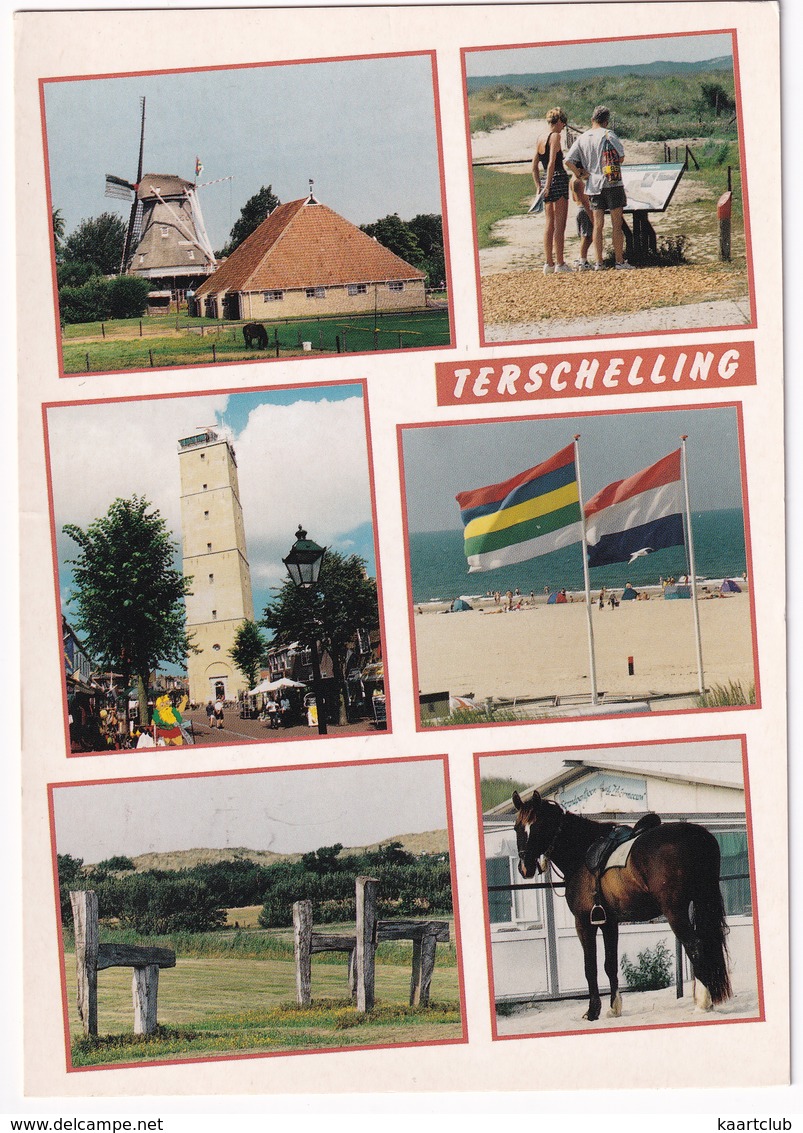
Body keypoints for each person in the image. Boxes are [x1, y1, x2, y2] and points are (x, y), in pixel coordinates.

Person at [565, 105, 633, 271]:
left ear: (592, 120)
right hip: (612, 182)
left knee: (597, 225)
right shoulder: (608, 134)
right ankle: (619, 261)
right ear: (606, 121)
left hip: (593, 185)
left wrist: (581, 174)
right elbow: (621, 157)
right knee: (616, 223)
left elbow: (568, 161)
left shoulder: (583, 137)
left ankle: (598, 262)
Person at [532, 107, 571, 274]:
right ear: (559, 122)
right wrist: (548, 185)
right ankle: (560, 263)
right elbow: (552, 163)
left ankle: (548, 263)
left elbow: (534, 167)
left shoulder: (541, 138)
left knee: (549, 224)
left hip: (545, 180)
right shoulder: (555, 136)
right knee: (559, 225)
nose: (564, 127)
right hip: (558, 179)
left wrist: (539, 187)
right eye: (564, 124)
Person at [570, 173, 594, 270]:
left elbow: (574, 198)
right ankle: (582, 259)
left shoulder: (572, 180)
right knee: (587, 236)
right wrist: (591, 215)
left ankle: (581, 258)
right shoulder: (578, 181)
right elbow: (584, 200)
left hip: (579, 209)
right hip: (585, 210)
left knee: (586, 235)